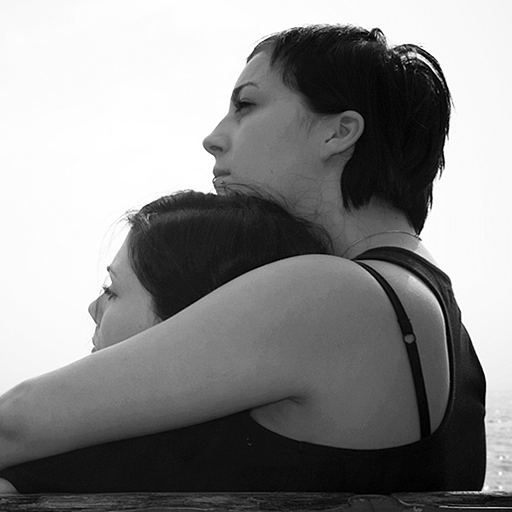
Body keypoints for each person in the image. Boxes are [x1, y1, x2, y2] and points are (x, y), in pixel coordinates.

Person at [0, 24, 486, 493]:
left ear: (338, 133)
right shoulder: (438, 318)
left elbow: (17, 423)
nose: (213, 137)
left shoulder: (337, 295)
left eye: (245, 106)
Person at [0, 189, 332, 492]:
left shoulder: (69, 462)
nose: (93, 309)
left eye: (111, 291)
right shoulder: (294, 450)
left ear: (185, 319)